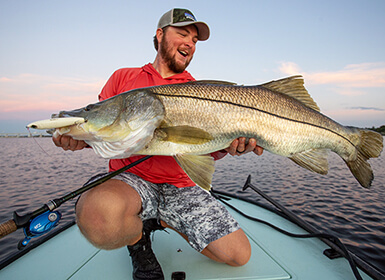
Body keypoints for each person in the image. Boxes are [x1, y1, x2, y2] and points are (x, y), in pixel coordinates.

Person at [53, 8, 263, 280]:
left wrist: (230, 147)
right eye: (183, 33)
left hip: (182, 186)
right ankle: (138, 239)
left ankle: (163, 219)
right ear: (160, 34)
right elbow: (105, 129)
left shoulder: (200, 92)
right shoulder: (123, 78)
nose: (190, 43)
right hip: (131, 180)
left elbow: (206, 149)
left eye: (195, 40)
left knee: (239, 256)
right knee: (96, 218)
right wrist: (78, 138)